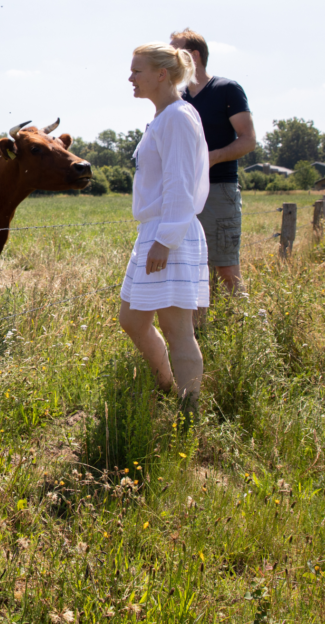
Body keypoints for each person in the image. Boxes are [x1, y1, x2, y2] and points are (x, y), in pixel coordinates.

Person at [119, 43, 210, 412]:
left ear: (161, 74)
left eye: (136, 71)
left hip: (170, 232)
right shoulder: (163, 118)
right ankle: (167, 386)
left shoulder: (177, 117)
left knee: (178, 330)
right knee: (131, 319)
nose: (130, 78)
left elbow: (179, 183)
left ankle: (189, 413)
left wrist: (166, 239)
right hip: (155, 231)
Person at [169, 30, 256, 296]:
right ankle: (201, 323)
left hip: (218, 189)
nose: (169, 58)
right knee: (191, 268)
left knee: (226, 268)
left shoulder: (226, 89)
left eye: (174, 52)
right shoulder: (177, 97)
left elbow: (248, 140)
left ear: (193, 56)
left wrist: (211, 158)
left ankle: (242, 318)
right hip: (184, 193)